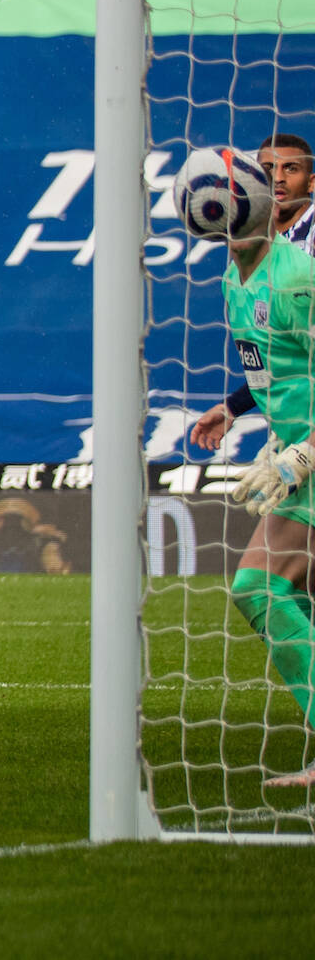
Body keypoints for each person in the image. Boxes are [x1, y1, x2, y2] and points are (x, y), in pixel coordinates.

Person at [202, 187, 315, 788]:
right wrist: (238, 411)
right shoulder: (234, 281)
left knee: (258, 588)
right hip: (297, 456)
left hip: (312, 459)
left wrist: (305, 449)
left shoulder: (299, 276)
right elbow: (276, 370)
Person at [191, 135, 315, 455]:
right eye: (268, 170)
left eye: (290, 169)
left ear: (311, 182)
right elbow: (279, 363)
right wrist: (233, 407)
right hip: (292, 435)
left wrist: (307, 452)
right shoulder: (240, 271)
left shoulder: (301, 268)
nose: (278, 178)